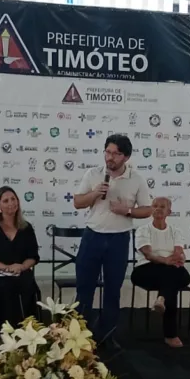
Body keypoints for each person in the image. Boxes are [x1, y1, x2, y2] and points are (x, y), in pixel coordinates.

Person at [72, 134, 152, 346]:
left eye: (116, 154)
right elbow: (78, 202)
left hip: (118, 240)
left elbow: (147, 210)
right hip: (92, 237)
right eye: (107, 152)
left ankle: (107, 336)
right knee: (84, 289)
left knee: (112, 290)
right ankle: (78, 337)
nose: (110, 157)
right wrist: (94, 194)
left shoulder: (136, 179)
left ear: (126, 157)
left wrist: (127, 210)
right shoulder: (93, 174)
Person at [0, 186, 41, 344]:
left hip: (19, 270)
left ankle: (29, 332)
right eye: (6, 201)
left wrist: (22, 267)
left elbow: (33, 257)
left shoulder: (26, 228)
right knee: (3, 287)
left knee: (29, 285)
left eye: (13, 199)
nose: (11, 203)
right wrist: (5, 268)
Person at [131, 197, 190, 348]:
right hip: (146, 269)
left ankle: (162, 298)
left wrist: (178, 258)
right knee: (171, 279)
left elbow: (178, 252)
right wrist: (166, 260)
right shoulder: (143, 230)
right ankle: (170, 335)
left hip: (169, 268)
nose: (158, 208)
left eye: (162, 206)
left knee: (178, 277)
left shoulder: (175, 231)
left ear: (169, 212)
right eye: (155, 205)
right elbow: (148, 254)